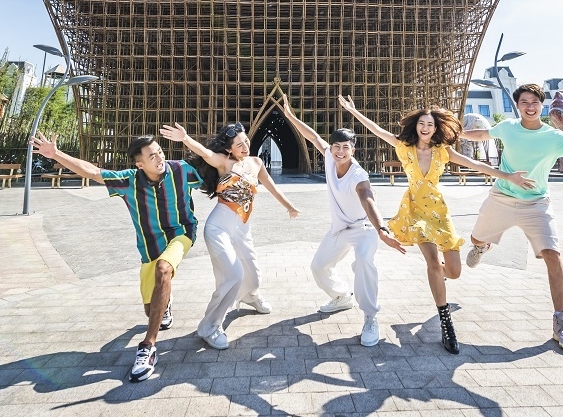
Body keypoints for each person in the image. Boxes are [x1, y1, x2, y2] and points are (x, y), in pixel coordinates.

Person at [338, 95, 522, 354]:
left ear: (436, 129)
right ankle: (446, 322)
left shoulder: (443, 151)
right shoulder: (404, 146)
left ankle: (440, 278)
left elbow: (475, 164)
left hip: (439, 210)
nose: (425, 128)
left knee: (454, 272)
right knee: (433, 263)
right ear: (416, 126)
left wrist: (507, 176)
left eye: (431, 125)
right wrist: (354, 112)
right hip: (414, 209)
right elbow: (377, 131)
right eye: (422, 123)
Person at [30, 131, 203, 382]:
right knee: (150, 307)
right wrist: (55, 154)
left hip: (182, 233)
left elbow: (215, 167)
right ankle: (164, 304)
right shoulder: (129, 180)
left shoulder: (181, 171)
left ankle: (148, 348)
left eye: (160, 152)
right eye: (152, 156)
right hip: (149, 246)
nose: (159, 159)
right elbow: (92, 171)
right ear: (139, 163)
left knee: (164, 269)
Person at [461, 83, 563, 352]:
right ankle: (482, 246)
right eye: (524, 102)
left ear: (540, 106)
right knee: (475, 237)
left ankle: (561, 322)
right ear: (517, 106)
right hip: (502, 198)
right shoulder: (507, 128)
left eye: (534, 102)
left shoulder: (553, 136)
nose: (530, 106)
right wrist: (451, 133)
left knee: (553, 254)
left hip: (537, 204)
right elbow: (481, 134)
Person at [159, 122, 301, 350]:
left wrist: (290, 206)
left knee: (253, 276)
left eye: (245, 141)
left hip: (242, 229)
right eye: (238, 144)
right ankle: (209, 327)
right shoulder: (224, 162)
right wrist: (185, 138)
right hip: (219, 227)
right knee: (233, 276)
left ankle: (249, 296)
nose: (245, 146)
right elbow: (204, 152)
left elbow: (272, 186)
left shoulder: (256, 163)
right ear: (229, 149)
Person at [279, 94, 406, 347]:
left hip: (364, 228)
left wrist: (382, 229)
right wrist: (290, 116)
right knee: (319, 267)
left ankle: (370, 317)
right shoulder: (329, 156)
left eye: (345, 147)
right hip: (339, 228)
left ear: (353, 150)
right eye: (336, 146)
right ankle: (341, 296)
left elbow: (368, 199)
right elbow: (313, 136)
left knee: (363, 262)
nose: (339, 151)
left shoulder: (358, 175)